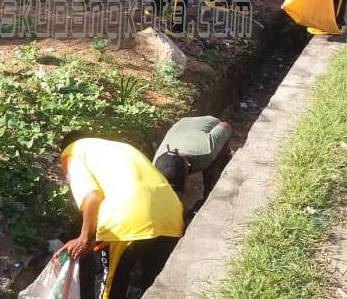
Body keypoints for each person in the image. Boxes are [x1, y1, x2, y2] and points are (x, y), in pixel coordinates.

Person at [58, 133, 184, 298]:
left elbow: (92, 196)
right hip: (171, 217)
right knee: (155, 286)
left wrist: (84, 238)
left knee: (109, 289)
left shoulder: (73, 151)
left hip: (127, 222)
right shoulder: (122, 148)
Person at [152, 116, 232, 201]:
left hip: (208, 123)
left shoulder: (207, 151)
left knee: (214, 167)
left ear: (187, 168)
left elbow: (225, 125)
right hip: (181, 125)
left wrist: (225, 152)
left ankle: (208, 195)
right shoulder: (154, 164)